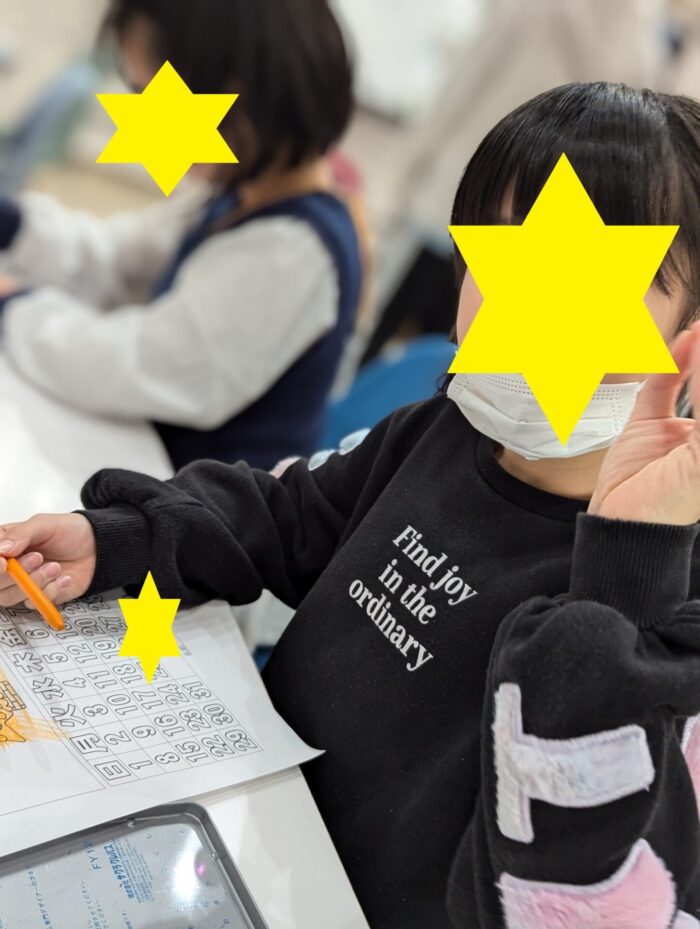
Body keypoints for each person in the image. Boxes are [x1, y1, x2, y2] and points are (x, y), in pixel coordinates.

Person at [1, 83, 699, 929]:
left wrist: (626, 563)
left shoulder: (669, 602)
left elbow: (576, 876)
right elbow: (286, 516)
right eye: (505, 257)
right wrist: (116, 540)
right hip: (237, 836)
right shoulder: (440, 430)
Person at [0, 0, 363, 471]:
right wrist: (13, 225)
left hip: (189, 503)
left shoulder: (295, 251)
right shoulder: (235, 197)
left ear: (237, 99)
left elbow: (144, 366)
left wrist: (15, 305)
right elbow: (118, 259)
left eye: (150, 96)